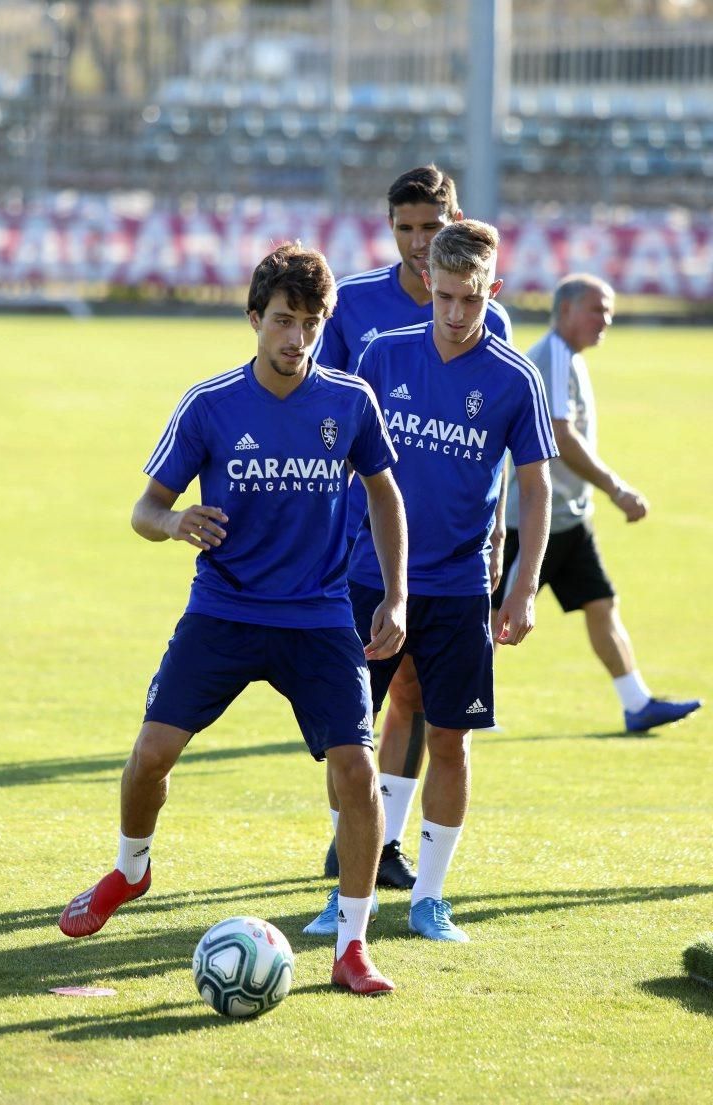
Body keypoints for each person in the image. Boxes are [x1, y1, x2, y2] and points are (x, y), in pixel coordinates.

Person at [58, 243, 408, 996]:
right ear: (253, 318)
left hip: (317, 616)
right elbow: (143, 509)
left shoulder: (350, 402)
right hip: (224, 607)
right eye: (283, 320)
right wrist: (176, 519)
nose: (297, 338)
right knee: (150, 755)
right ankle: (131, 869)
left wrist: (396, 593)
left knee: (357, 771)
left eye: (312, 323)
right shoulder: (210, 404)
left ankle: (353, 945)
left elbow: (385, 493)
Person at [305, 219, 557, 942]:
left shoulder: (514, 378)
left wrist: (525, 584)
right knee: (347, 739)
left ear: (493, 292)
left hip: (456, 587)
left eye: (469, 301)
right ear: (427, 287)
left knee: (450, 739)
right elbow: (337, 457)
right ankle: (347, 890)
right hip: (366, 577)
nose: (453, 314)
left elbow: (536, 489)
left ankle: (430, 898)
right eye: (442, 297)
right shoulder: (383, 357)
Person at [313, 164, 514, 888]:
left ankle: (390, 847)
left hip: (451, 558)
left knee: (421, 700)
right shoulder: (358, 306)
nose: (419, 242)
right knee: (357, 707)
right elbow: (326, 415)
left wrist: (497, 550)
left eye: (432, 227)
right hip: (361, 547)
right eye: (406, 228)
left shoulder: (491, 322)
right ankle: (356, 845)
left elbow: (496, 450)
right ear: (390, 227)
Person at [495, 274, 702, 733]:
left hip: (569, 517)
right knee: (495, 615)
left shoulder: (568, 358)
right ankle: (453, 707)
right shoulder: (551, 355)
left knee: (600, 603)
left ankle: (636, 704)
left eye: (608, 310)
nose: (606, 319)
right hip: (531, 518)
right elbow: (560, 435)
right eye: (597, 309)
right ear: (565, 310)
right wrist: (616, 487)